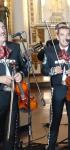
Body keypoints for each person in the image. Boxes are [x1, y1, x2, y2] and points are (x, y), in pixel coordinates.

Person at [42, 25, 70, 150]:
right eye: (62, 34)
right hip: (58, 89)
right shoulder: (50, 51)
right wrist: (52, 70)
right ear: (57, 36)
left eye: (67, 34)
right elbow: (44, 70)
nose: (65, 37)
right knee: (55, 118)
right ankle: (51, 145)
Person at [0, 21, 26, 149]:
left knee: (10, 133)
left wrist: (20, 74)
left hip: (12, 96)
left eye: (3, 27)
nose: (2, 30)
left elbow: (23, 68)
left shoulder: (14, 47)